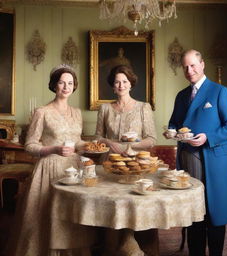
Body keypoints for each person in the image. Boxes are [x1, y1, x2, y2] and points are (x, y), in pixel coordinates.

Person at [164, 49, 227, 256]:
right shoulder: (182, 95)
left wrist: (207, 137)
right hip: (187, 161)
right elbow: (175, 122)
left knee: (215, 215)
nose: (189, 70)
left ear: (202, 65)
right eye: (185, 67)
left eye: (193, 65)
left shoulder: (220, 91)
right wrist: (171, 131)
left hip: (214, 162)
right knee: (193, 214)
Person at [7, 64, 96, 256]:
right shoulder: (42, 112)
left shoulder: (77, 112)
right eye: (62, 82)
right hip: (49, 170)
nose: (66, 87)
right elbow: (30, 145)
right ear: (54, 85)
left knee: (71, 214)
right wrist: (53, 149)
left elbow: (77, 141)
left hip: (73, 169)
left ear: (74, 86)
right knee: (47, 216)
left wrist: (86, 146)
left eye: (70, 83)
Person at [95, 64, 158, 256]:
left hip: (136, 164)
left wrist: (132, 145)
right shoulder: (105, 108)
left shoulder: (143, 107)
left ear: (131, 84)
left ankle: (135, 244)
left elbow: (152, 139)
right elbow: (97, 137)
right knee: (112, 204)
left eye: (124, 81)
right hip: (110, 163)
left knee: (133, 204)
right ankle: (111, 245)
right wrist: (110, 143)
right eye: (117, 82)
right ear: (112, 86)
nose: (121, 85)